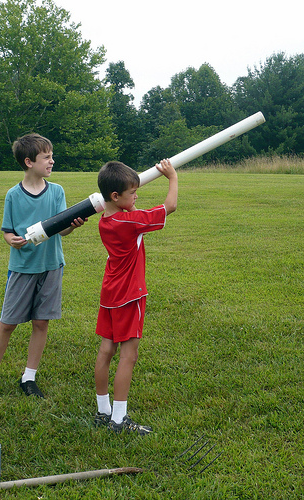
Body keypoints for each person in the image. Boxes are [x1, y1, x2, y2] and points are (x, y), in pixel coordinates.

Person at [0, 133, 86, 400]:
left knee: (41, 323)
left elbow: (60, 231)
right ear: (29, 162)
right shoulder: (13, 195)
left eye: (51, 156)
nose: (52, 161)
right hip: (23, 268)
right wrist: (10, 240)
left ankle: (29, 377)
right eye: (46, 157)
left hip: (51, 267)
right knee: (7, 324)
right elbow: (7, 231)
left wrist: (71, 226)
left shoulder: (57, 191)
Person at [94, 158, 178, 434]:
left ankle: (103, 410)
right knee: (128, 356)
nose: (137, 196)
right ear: (115, 196)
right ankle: (119, 419)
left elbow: (128, 211)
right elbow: (170, 207)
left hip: (110, 294)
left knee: (106, 350)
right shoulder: (129, 222)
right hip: (129, 296)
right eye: (132, 193)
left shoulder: (106, 220)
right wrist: (172, 177)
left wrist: (129, 203)